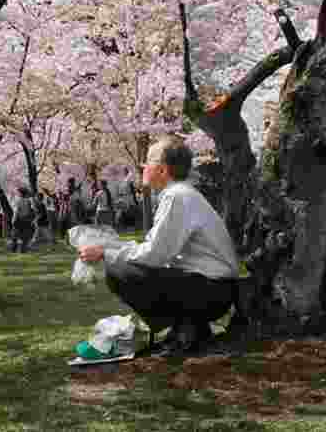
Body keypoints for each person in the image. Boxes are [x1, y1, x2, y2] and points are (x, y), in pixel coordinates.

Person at [77, 135, 239, 356]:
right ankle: (188, 328)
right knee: (122, 264)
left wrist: (107, 251)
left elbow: (155, 254)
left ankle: (184, 331)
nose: (143, 165)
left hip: (212, 291)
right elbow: (158, 248)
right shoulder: (182, 194)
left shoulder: (176, 197)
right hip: (214, 288)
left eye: (149, 160)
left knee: (118, 270)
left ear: (162, 170)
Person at [9, 186, 35, 253]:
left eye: (18, 192)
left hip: (19, 219)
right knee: (25, 236)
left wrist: (13, 220)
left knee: (14, 236)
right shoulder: (28, 201)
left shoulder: (18, 201)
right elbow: (32, 211)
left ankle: (13, 249)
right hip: (26, 220)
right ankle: (23, 250)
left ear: (20, 193)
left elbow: (16, 211)